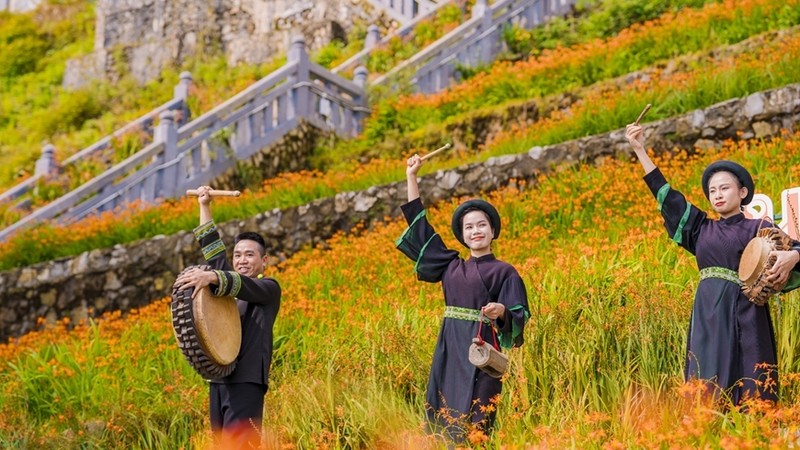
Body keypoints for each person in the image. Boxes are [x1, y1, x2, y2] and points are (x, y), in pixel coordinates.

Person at [625, 123, 800, 404]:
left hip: (746, 311)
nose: (717, 194)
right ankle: (709, 433)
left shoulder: (758, 227)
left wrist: (794, 256)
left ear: (743, 192)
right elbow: (666, 197)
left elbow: (791, 248)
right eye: (712, 190)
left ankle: (756, 433)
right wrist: (639, 149)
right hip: (708, 313)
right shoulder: (699, 229)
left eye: (725, 188)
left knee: (752, 371)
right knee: (706, 375)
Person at [395, 154, 530, 442]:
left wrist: (501, 311)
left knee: (478, 419)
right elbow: (419, 227)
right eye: (468, 227)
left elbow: (519, 314)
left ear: (493, 231)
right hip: (448, 348)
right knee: (442, 415)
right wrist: (412, 177)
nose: (475, 231)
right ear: (462, 236)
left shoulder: (505, 271)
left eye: (481, 225)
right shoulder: (450, 265)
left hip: (481, 350)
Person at [175, 185, 281, 448]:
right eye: (237, 255)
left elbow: (235, 282)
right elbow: (213, 251)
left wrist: (212, 277)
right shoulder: (226, 286)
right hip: (219, 379)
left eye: (249, 254)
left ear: (264, 260)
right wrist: (204, 205)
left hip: (247, 380)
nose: (242, 260)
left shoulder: (268, 288)